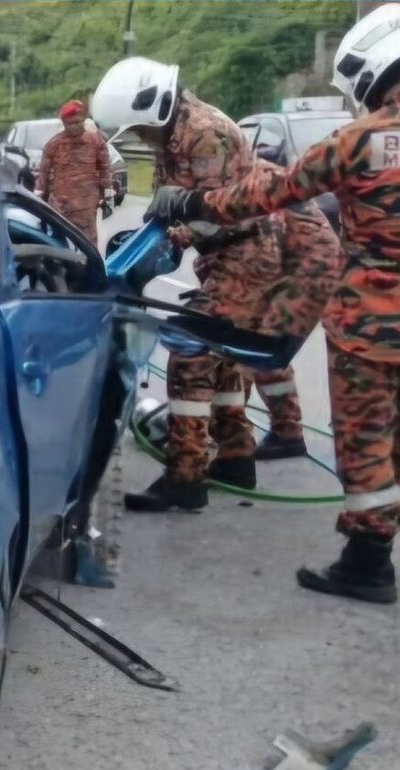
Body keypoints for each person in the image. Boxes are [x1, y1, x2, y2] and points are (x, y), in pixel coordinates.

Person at [147, 3, 400, 604]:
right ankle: (378, 546)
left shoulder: (358, 141)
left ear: (372, 70)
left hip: (368, 322)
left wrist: (191, 205)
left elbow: (271, 192)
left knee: (363, 438)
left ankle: (367, 564)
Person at [92, 57, 282, 512]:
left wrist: (178, 234)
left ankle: (186, 476)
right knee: (223, 360)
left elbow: (218, 213)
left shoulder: (205, 134)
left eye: (140, 130)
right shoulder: (174, 134)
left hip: (248, 254)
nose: (140, 139)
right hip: (225, 257)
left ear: (155, 108)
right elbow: (170, 202)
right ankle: (236, 457)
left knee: (190, 355)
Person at [245, 159, 345, 462]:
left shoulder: (250, 193)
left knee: (261, 345)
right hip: (321, 264)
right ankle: (285, 431)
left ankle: (286, 433)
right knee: (261, 348)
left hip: (314, 271)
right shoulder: (257, 181)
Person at [37, 99, 113, 242]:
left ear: (83, 120)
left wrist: (108, 196)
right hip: (61, 208)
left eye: (78, 122)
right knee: (60, 245)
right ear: (64, 124)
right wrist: (39, 199)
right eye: (70, 123)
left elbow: (105, 168)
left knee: (88, 245)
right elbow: (43, 177)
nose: (75, 127)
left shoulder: (95, 141)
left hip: (87, 208)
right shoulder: (53, 145)